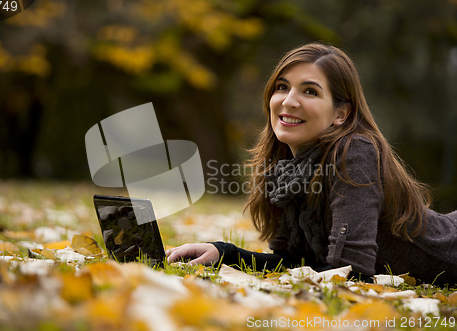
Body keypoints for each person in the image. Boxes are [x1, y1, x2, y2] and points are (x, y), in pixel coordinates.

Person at [166, 43, 457, 285]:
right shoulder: (284, 168)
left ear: (340, 114)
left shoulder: (355, 150)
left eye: (310, 91)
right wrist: (222, 253)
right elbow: (295, 263)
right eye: (282, 87)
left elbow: (350, 273)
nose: (289, 101)